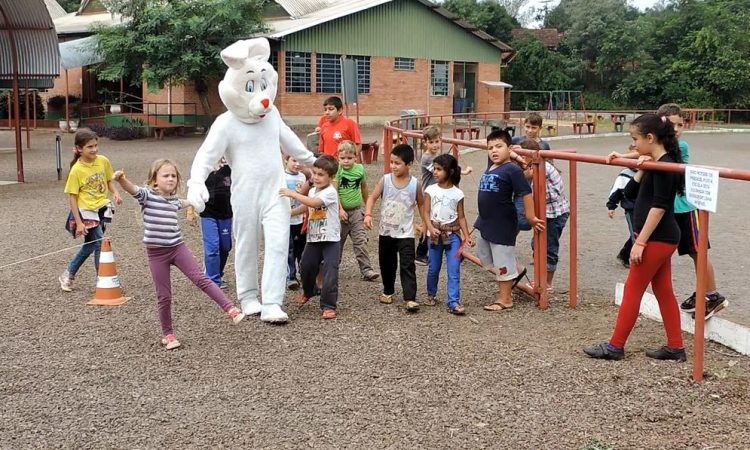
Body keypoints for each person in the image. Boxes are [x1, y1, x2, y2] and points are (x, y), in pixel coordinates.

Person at [607, 103, 727, 319]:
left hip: (686, 208)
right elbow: (651, 154)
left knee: (697, 251)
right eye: (672, 125)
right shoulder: (660, 148)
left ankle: (711, 294)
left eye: (681, 125)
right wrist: (629, 155)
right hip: (669, 210)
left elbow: (660, 154)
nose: (677, 130)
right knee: (669, 257)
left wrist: (631, 156)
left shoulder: (681, 147)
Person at [585, 113, 686, 361]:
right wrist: (632, 163)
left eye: (635, 139)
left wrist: (640, 242)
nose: (633, 145)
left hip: (658, 237)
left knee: (633, 288)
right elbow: (630, 191)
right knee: (663, 290)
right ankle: (676, 346)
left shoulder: (665, 165)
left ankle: (615, 346)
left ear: (650, 138)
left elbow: (660, 206)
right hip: (661, 237)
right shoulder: (655, 160)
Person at [113, 160, 244, 350]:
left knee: (201, 279)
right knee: (164, 295)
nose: (171, 179)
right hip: (156, 254)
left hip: (177, 247)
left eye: (173, 176)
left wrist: (198, 199)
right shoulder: (147, 196)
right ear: (154, 180)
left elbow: (189, 202)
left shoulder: (174, 201)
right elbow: (132, 189)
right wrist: (122, 180)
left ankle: (230, 308)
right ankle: (168, 334)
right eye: (165, 175)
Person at [475, 130, 544, 312]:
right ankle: (516, 270)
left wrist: (530, 217)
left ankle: (505, 299)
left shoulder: (512, 170)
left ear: (509, 147)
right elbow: (492, 148)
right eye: (490, 148)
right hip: (486, 221)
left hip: (503, 223)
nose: (494, 151)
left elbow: (525, 193)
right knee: (484, 255)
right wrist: (512, 153)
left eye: (499, 147)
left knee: (502, 260)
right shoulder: (493, 165)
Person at [364, 144, 431, 312]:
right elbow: (372, 198)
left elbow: (422, 205)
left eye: (397, 163)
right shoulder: (385, 180)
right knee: (387, 263)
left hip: (405, 233)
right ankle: (388, 290)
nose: (393, 166)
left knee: (407, 264)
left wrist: (424, 224)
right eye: (391, 162)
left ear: (409, 164)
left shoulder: (415, 184)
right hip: (386, 232)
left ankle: (410, 298)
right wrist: (368, 214)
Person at [59, 128, 122, 292]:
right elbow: (72, 197)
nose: (94, 149)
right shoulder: (76, 170)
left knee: (90, 245)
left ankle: (68, 274)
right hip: (86, 211)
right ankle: (103, 280)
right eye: (89, 147)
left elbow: (108, 180)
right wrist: (79, 223)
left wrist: (115, 193)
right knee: (100, 243)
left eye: (95, 145)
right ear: (79, 149)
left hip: (102, 207)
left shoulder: (103, 161)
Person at [280, 155, 341, 319]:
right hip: (313, 238)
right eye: (314, 173)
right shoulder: (313, 190)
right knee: (306, 267)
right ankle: (309, 291)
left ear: (331, 177)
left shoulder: (330, 192)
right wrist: (290, 213)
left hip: (331, 239)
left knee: (330, 271)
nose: (316, 177)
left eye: (321, 175)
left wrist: (293, 194)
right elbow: (306, 206)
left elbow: (314, 203)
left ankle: (328, 305)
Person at [516, 138, 570, 294]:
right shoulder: (536, 167)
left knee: (549, 248)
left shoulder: (542, 168)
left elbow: (542, 192)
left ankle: (547, 283)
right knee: (537, 244)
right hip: (546, 213)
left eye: (522, 158)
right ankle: (540, 279)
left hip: (555, 214)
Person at [422, 154, 474, 315]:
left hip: (453, 235)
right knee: (433, 268)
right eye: (434, 169)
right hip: (435, 235)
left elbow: (462, 216)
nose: (435, 172)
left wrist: (467, 235)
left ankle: (453, 302)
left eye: (439, 169)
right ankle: (431, 294)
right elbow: (426, 212)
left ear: (450, 171)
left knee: (454, 269)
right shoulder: (430, 190)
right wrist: (430, 227)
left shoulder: (458, 194)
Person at [416, 125, 472, 265]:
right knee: (428, 222)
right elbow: (442, 171)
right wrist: (463, 172)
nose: (435, 145)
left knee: (441, 221)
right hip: (431, 195)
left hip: (439, 195)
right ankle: (421, 253)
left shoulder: (433, 157)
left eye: (437, 141)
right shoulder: (427, 158)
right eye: (431, 142)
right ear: (425, 142)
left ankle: (449, 248)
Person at [335, 140, 379, 281]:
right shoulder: (338, 171)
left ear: (356, 157)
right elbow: (334, 191)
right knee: (337, 242)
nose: (346, 161)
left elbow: (364, 187)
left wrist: (367, 207)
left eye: (349, 158)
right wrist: (339, 209)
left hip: (356, 211)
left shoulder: (359, 169)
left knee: (360, 241)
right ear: (338, 158)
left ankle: (366, 269)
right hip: (340, 213)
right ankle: (332, 268)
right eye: (342, 158)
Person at [186, 158, 233, 289]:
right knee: (212, 247)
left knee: (225, 247)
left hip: (226, 213)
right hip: (208, 213)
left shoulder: (231, 165)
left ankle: (218, 273)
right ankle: (212, 281)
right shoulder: (203, 167)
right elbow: (193, 189)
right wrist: (190, 211)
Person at [283, 155, 309, 290]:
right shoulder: (281, 177)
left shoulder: (303, 177)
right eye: (294, 160)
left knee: (302, 248)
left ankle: (304, 274)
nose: (297, 164)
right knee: (289, 248)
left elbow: (305, 198)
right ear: (286, 160)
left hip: (300, 218)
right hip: (286, 220)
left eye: (299, 161)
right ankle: (291, 277)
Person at [606, 167, 637, 268]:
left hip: (645, 208)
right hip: (631, 208)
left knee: (642, 233)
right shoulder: (625, 174)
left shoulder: (648, 170)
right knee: (635, 234)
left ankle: (624, 253)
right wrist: (611, 206)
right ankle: (633, 259)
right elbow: (617, 191)